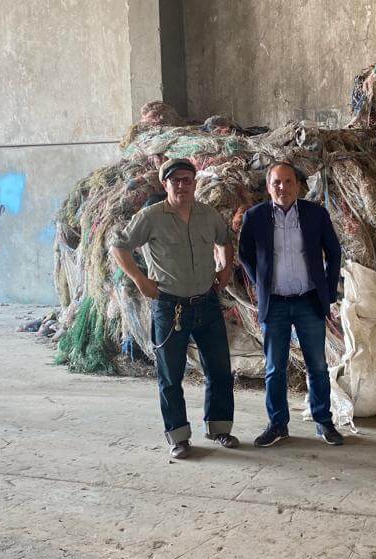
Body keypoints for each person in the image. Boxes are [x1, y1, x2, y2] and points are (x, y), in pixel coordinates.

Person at [110, 157, 238, 459]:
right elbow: (119, 245)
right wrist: (140, 280)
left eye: (187, 179)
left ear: (195, 183)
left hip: (206, 302)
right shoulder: (151, 217)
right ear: (165, 184)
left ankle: (219, 429)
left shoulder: (208, 215)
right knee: (170, 376)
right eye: (175, 180)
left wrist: (225, 267)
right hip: (170, 307)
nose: (182, 184)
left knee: (219, 370)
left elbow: (224, 239)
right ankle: (178, 436)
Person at [238, 161, 345, 447]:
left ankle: (324, 422)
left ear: (298, 185)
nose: (283, 187)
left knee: (318, 366)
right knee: (275, 368)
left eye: (288, 182)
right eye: (277, 183)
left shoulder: (315, 215)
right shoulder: (255, 217)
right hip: (275, 305)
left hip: (309, 301)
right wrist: (260, 284)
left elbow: (334, 253)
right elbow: (245, 255)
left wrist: (328, 292)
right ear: (268, 187)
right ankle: (277, 424)